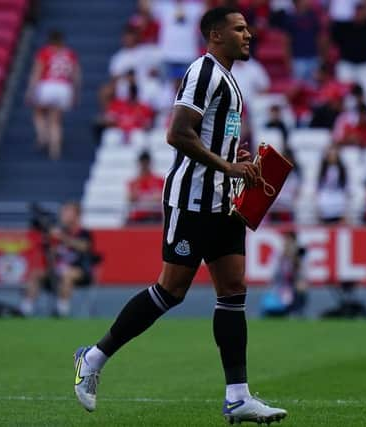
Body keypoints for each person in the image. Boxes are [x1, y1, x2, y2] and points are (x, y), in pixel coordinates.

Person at [72, 8, 288, 424]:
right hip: (191, 200)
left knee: (233, 287)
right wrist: (225, 167)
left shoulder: (229, 78)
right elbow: (177, 132)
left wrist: (234, 158)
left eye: (247, 27)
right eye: (239, 28)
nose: (249, 34)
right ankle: (94, 357)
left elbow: (207, 135)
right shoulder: (203, 72)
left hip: (224, 202)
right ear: (215, 35)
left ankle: (238, 396)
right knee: (171, 291)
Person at [21, 202, 94, 317]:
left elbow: (84, 246)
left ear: (77, 215)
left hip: (80, 272)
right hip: (57, 271)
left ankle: (61, 311)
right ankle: (25, 309)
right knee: (36, 274)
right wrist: (49, 241)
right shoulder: (58, 232)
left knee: (67, 274)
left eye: (67, 212)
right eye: (63, 211)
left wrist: (62, 237)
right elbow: (51, 255)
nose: (63, 214)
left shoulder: (84, 233)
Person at [26, 30, 81, 160]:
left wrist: (30, 90)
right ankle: (55, 149)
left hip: (48, 84)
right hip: (64, 87)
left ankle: (43, 135)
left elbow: (37, 72)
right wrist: (75, 93)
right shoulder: (70, 54)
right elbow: (77, 75)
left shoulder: (45, 52)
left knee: (38, 112)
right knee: (56, 120)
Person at [261, 231, 308, 317]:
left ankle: (296, 311)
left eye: (290, 242)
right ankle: (281, 309)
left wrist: (295, 260)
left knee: (301, 286)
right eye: (287, 241)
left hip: (293, 286)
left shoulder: (299, 255)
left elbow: (303, 275)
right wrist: (282, 259)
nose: (288, 244)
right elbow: (274, 275)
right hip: (280, 286)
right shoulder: (278, 256)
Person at [127, 151, 165, 223]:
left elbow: (160, 199)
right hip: (138, 218)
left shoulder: (159, 180)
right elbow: (131, 198)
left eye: (146, 162)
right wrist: (150, 198)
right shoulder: (134, 182)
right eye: (142, 162)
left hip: (154, 217)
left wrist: (141, 198)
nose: (144, 165)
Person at [316, 143, 348, 223]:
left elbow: (344, 185)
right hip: (326, 195)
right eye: (330, 154)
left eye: (334, 154)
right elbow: (320, 185)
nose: (332, 157)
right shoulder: (323, 168)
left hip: (338, 195)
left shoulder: (341, 169)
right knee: (322, 201)